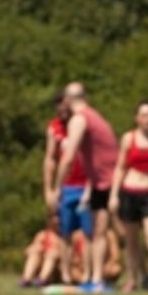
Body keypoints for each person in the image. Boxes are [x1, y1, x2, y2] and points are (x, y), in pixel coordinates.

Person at [51, 83, 120, 293]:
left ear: (67, 101)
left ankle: (98, 280)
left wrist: (57, 188)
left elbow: (68, 157)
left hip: (107, 183)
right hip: (104, 182)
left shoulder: (79, 119)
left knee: (103, 233)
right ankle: (98, 279)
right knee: (101, 232)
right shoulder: (94, 115)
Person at [108, 100, 148, 294]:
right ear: (137, 118)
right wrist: (114, 195)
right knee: (131, 240)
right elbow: (120, 167)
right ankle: (133, 279)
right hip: (130, 191)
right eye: (144, 115)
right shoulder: (128, 139)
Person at [44, 90, 93, 282]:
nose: (63, 109)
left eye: (66, 105)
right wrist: (49, 189)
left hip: (85, 186)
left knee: (88, 233)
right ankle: (65, 275)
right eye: (60, 106)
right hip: (65, 188)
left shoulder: (82, 125)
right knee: (64, 232)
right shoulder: (54, 128)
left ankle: (89, 275)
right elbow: (49, 160)